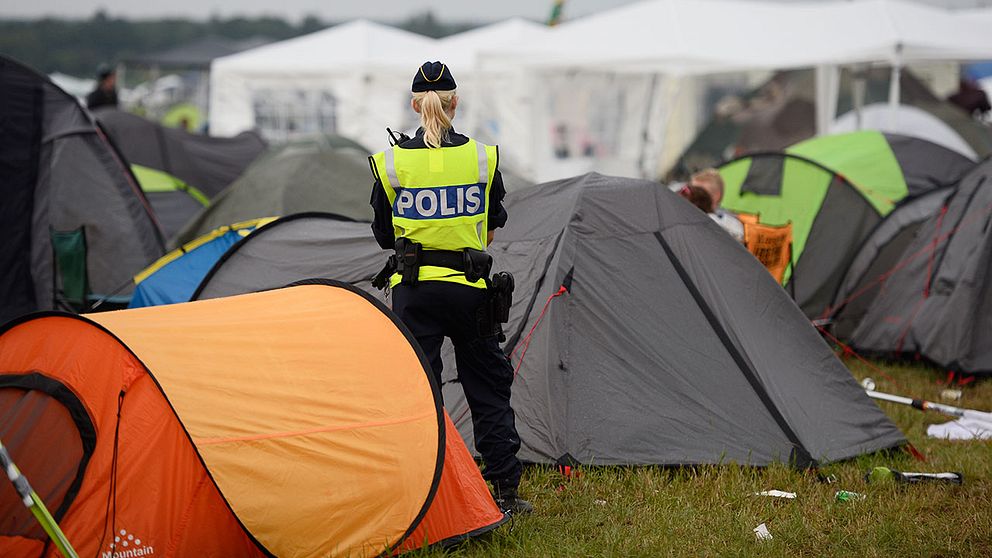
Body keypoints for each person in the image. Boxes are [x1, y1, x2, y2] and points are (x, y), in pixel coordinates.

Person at [368, 61, 532, 515]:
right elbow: (492, 226)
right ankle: (505, 492)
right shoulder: (483, 157)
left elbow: (385, 235)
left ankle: (426, 492)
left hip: (413, 292)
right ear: (455, 102)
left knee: (420, 392)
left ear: (415, 104)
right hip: (471, 287)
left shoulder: (391, 163)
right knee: (487, 387)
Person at [690, 168, 744, 243]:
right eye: (692, 192)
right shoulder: (689, 216)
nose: (693, 197)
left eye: (700, 193)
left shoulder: (730, 224)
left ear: (716, 196)